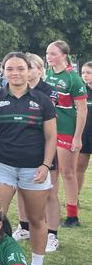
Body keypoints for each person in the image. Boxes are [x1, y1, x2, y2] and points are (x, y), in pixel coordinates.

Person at [0, 52, 57, 265]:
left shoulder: (43, 100)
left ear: (30, 70)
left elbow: (51, 136)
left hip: (34, 168)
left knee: (35, 218)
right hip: (2, 166)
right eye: (10, 69)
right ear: (3, 71)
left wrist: (45, 165)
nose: (15, 73)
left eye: (20, 68)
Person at [12, 53, 60, 253]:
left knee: (50, 193)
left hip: (43, 148)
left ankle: (52, 234)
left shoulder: (49, 92)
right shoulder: (16, 90)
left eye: (30, 67)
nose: (27, 71)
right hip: (21, 149)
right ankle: (24, 228)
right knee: (21, 190)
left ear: (40, 70)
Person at [44, 40, 87, 227]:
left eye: (53, 53)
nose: (48, 57)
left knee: (68, 173)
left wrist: (77, 137)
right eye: (47, 53)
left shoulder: (73, 79)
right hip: (49, 131)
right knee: (50, 174)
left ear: (64, 55)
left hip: (67, 131)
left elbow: (82, 110)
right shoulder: (47, 74)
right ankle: (50, 211)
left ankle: (72, 216)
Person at [76, 61, 92, 220]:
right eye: (83, 72)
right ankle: (75, 197)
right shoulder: (81, 91)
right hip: (84, 135)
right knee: (79, 167)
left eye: (88, 72)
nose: (85, 75)